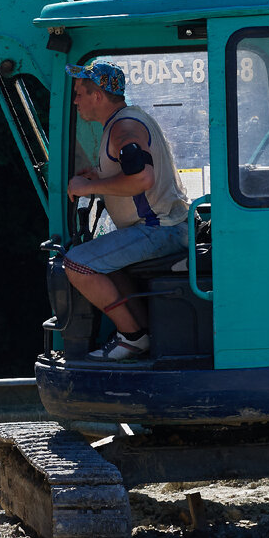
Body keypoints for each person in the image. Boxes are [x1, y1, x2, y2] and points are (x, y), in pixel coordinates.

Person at [63, 60, 190, 361]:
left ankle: (132, 337)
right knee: (106, 263)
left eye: (81, 92)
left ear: (98, 96)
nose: (76, 100)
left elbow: (142, 178)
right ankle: (144, 333)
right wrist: (100, 176)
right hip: (162, 225)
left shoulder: (124, 127)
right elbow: (132, 170)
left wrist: (86, 187)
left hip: (159, 229)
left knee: (77, 265)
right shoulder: (124, 121)